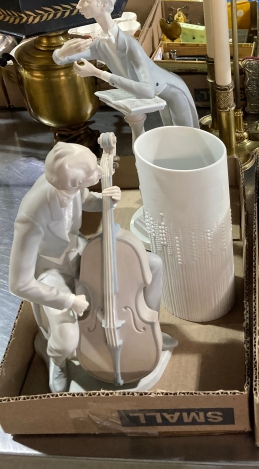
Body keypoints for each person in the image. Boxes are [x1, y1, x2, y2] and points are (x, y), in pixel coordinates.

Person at [9, 142, 174, 393]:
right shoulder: (30, 218)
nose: (100, 170)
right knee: (66, 340)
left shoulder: (68, 183)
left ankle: (149, 330)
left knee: (153, 265)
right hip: (51, 270)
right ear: (74, 181)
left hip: (78, 251)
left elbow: (86, 199)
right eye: (93, 170)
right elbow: (19, 284)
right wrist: (68, 300)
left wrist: (106, 199)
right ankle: (56, 361)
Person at [52, 0, 199, 137]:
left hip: (174, 91)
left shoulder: (130, 45)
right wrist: (62, 52)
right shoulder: (101, 44)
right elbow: (61, 59)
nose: (79, 5)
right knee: (173, 137)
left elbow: (148, 91)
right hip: (160, 97)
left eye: (86, 0)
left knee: (187, 137)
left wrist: (98, 73)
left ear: (103, 4)